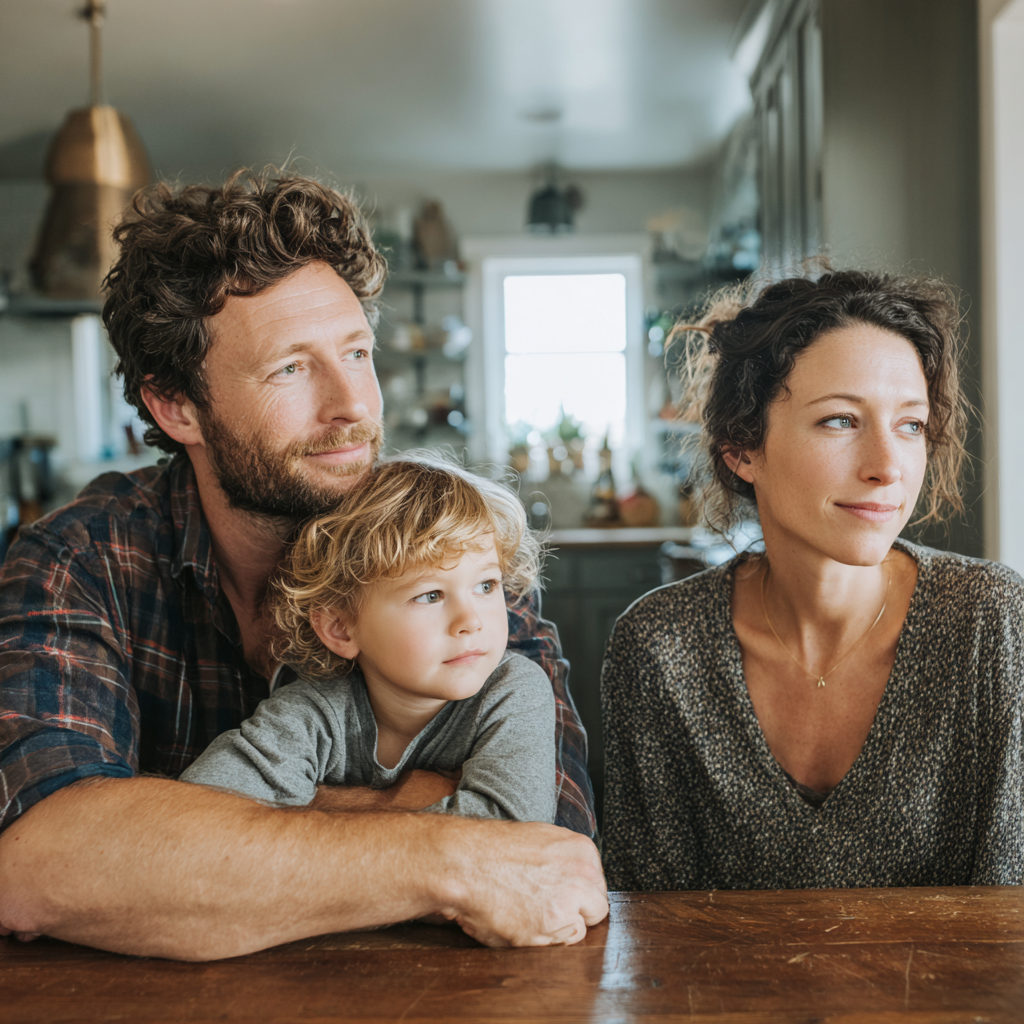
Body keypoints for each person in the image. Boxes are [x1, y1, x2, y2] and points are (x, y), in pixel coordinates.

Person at [0, 172, 606, 959]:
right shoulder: (76, 562)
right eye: (291, 368)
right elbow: (38, 865)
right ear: (176, 405)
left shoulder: (452, 557)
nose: (352, 404)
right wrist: (446, 848)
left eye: (357, 352)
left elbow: (550, 855)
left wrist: (177, 842)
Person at [602, 269, 1024, 890]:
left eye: (910, 425)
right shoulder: (659, 647)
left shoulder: (992, 621)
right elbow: (649, 926)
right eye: (840, 421)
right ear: (742, 448)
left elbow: (1009, 915)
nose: (888, 467)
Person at [182, 456, 557, 825]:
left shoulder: (512, 692)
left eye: (486, 585)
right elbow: (200, 818)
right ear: (340, 629)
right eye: (430, 595)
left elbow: (512, 833)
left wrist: (310, 809)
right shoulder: (312, 711)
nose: (470, 621)